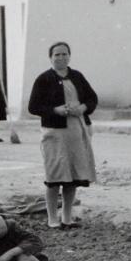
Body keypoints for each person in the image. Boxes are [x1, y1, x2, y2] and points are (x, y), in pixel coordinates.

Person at [27, 41, 99, 230]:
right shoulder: (43, 79)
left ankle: (67, 217)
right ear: (50, 57)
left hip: (76, 131)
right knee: (54, 175)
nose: (61, 57)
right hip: (54, 133)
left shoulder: (77, 76)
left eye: (64, 54)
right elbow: (33, 107)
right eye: (57, 55)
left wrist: (83, 107)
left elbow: (92, 98)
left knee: (72, 176)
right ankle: (52, 218)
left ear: (69, 56)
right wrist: (55, 110)